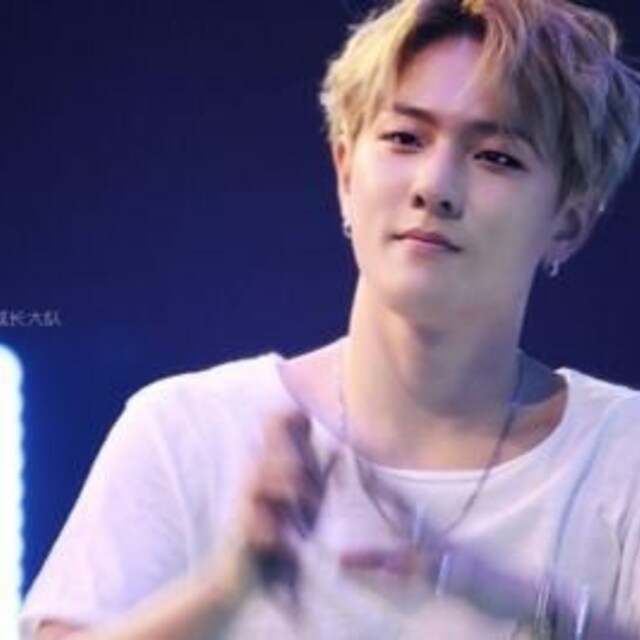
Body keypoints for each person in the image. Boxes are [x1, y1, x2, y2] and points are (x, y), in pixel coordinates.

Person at [21, 0, 640, 638]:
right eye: (405, 138)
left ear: (569, 221)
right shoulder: (187, 428)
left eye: (497, 156)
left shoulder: (623, 454)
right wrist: (226, 587)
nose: (434, 186)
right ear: (346, 171)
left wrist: (543, 612)